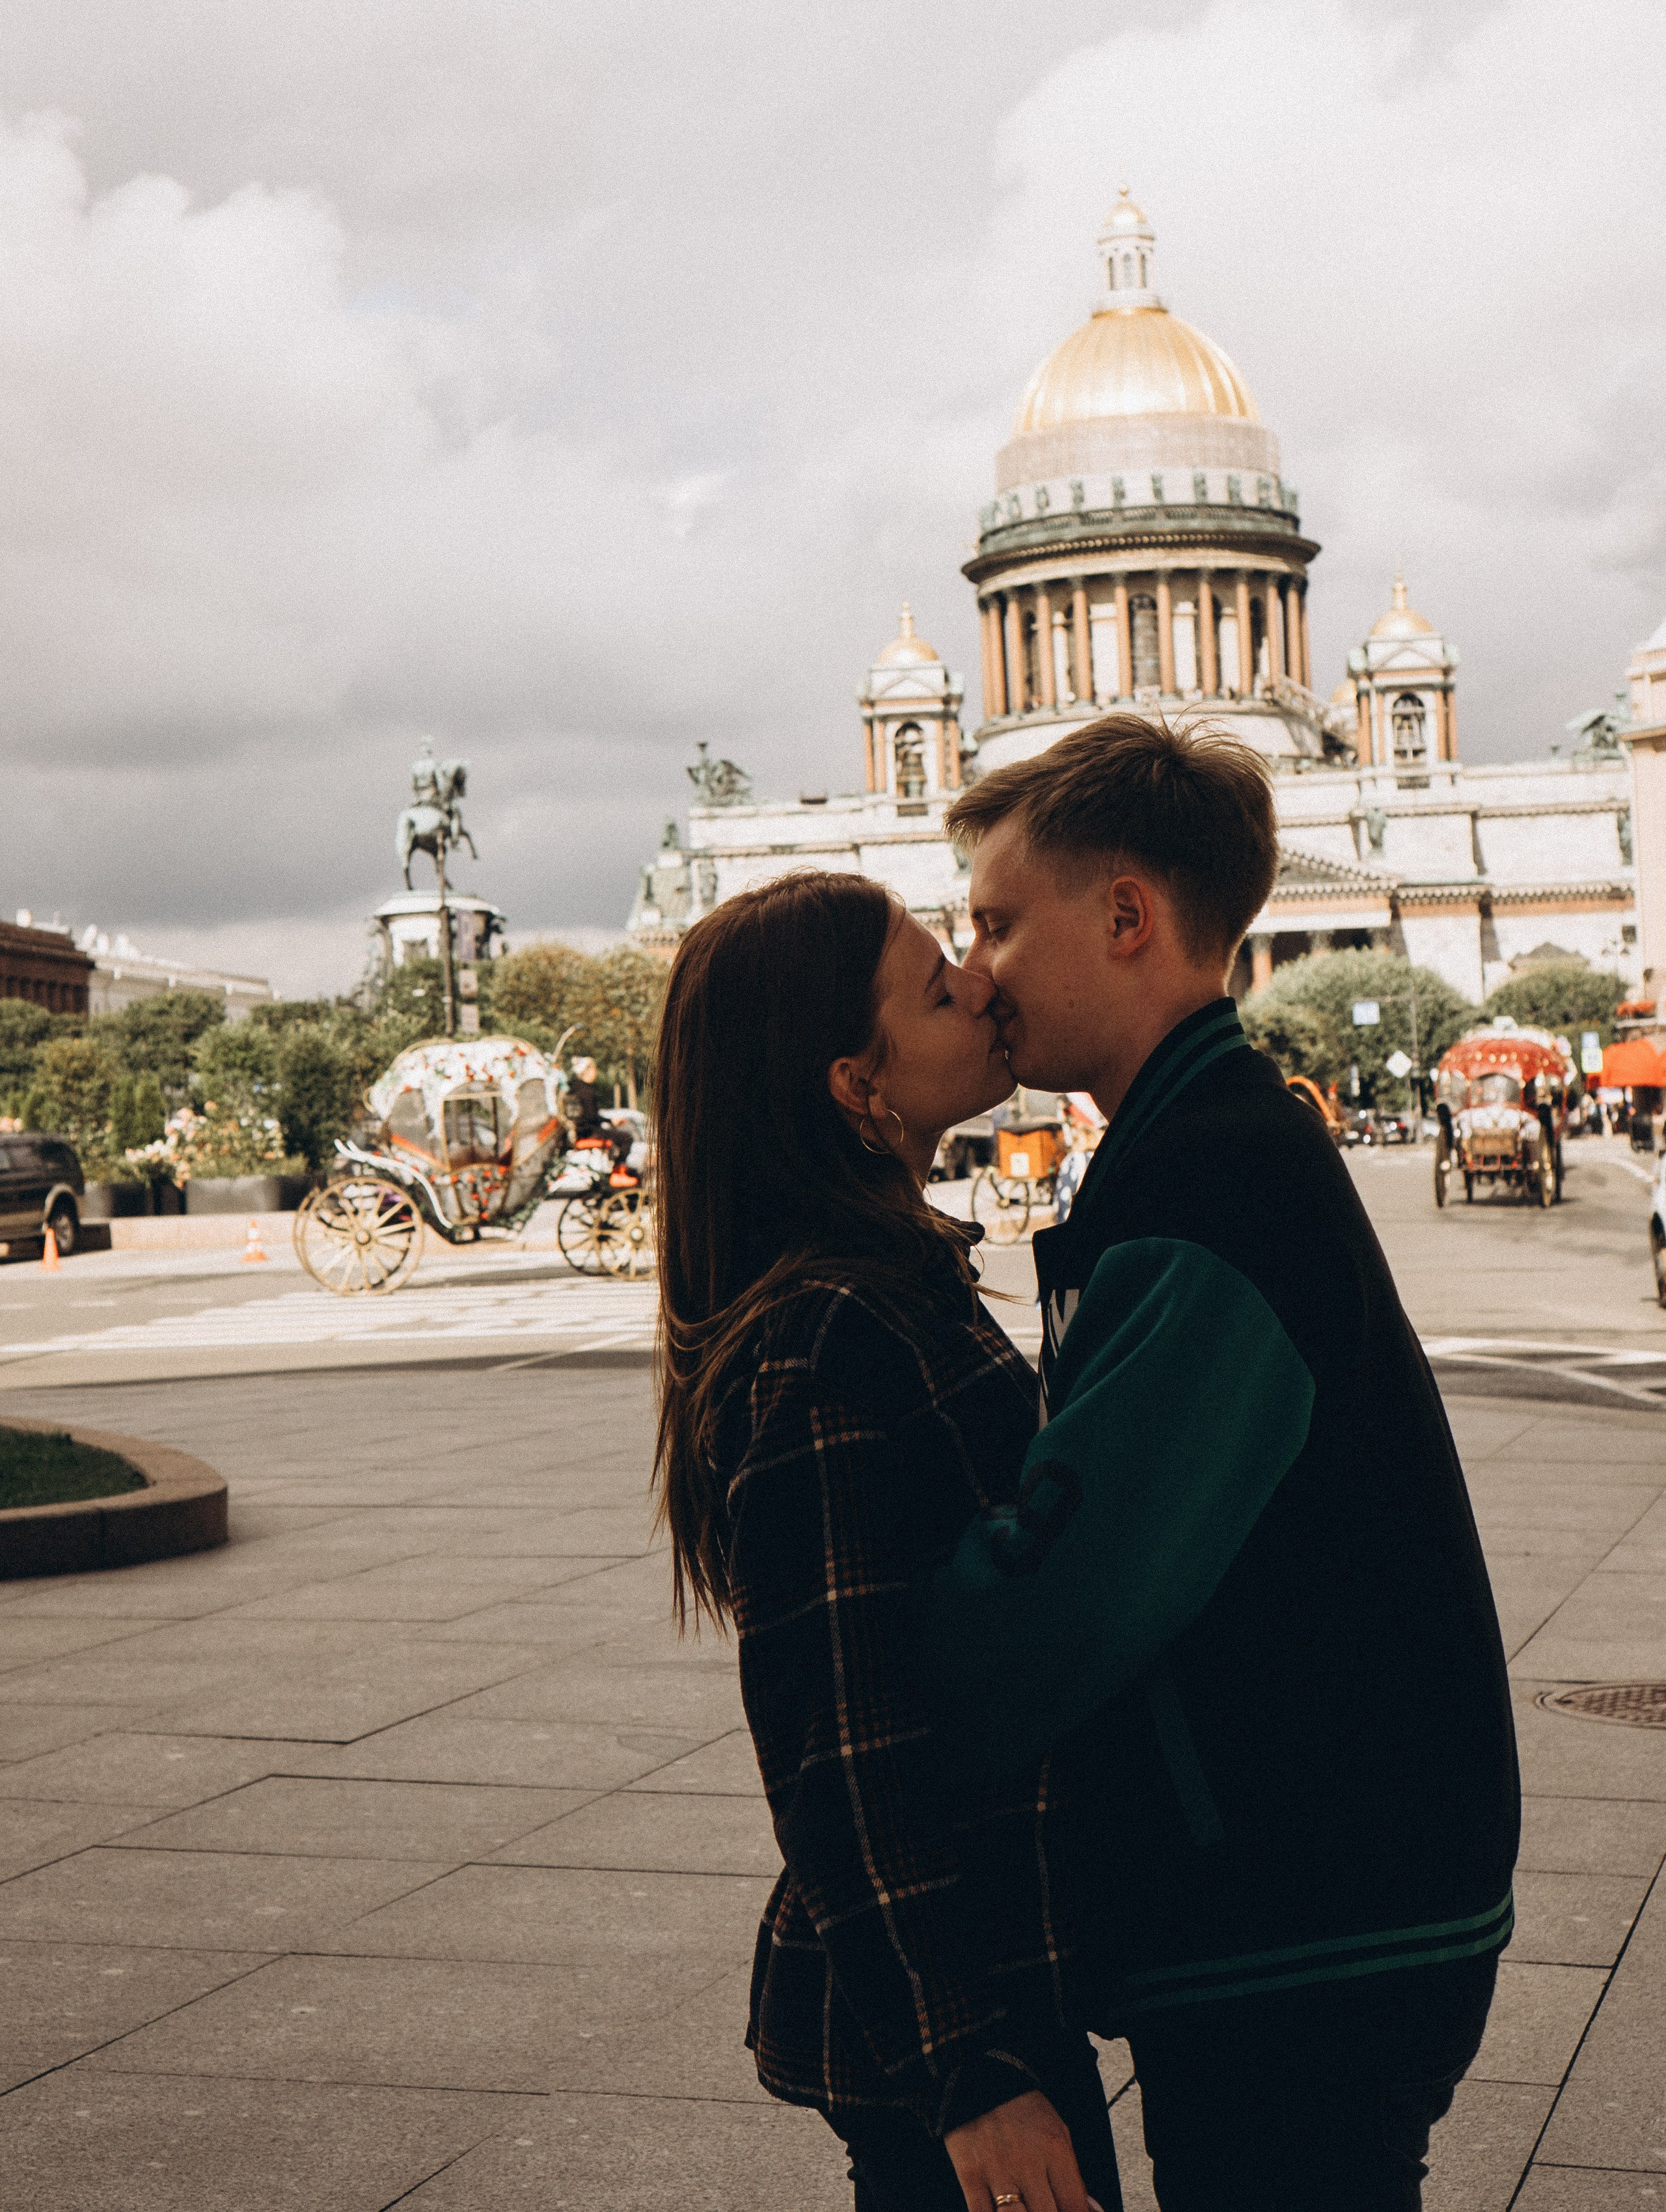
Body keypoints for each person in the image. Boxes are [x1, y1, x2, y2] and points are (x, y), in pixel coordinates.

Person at [922, 712, 1518, 2212]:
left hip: (1301, 1908)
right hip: (1328, 1881)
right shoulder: (1205, 1142)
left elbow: (1061, 1604)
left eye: (994, 922)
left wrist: (876, 1633)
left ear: (1124, 915)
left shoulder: (1204, 1185)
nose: (973, 969)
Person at [651, 872, 1120, 2212]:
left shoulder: (883, 1284)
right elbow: (836, 1740)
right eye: (934, 986)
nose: (980, 982)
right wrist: (964, 2068)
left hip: (982, 1975)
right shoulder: (832, 1334)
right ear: (861, 1088)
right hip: (958, 2010)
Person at [566, 1055, 633, 1171]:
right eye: (594, 1069)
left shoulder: (573, 1089)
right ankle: (618, 1170)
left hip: (580, 1132)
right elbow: (592, 1117)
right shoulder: (586, 1091)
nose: (596, 1073)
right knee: (627, 1138)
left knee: (616, 1135)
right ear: (587, 1071)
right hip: (589, 1132)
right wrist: (611, 1121)